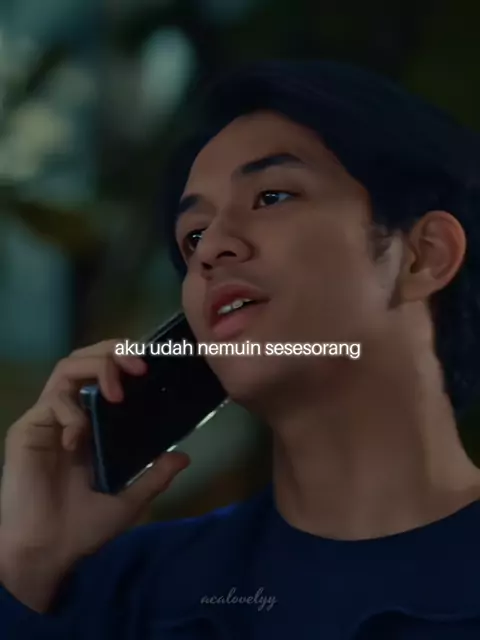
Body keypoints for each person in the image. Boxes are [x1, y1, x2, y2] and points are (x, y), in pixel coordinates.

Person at [2, 59, 480, 640]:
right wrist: (27, 564)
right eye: (193, 236)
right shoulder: (132, 594)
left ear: (424, 255)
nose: (210, 250)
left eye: (271, 196)